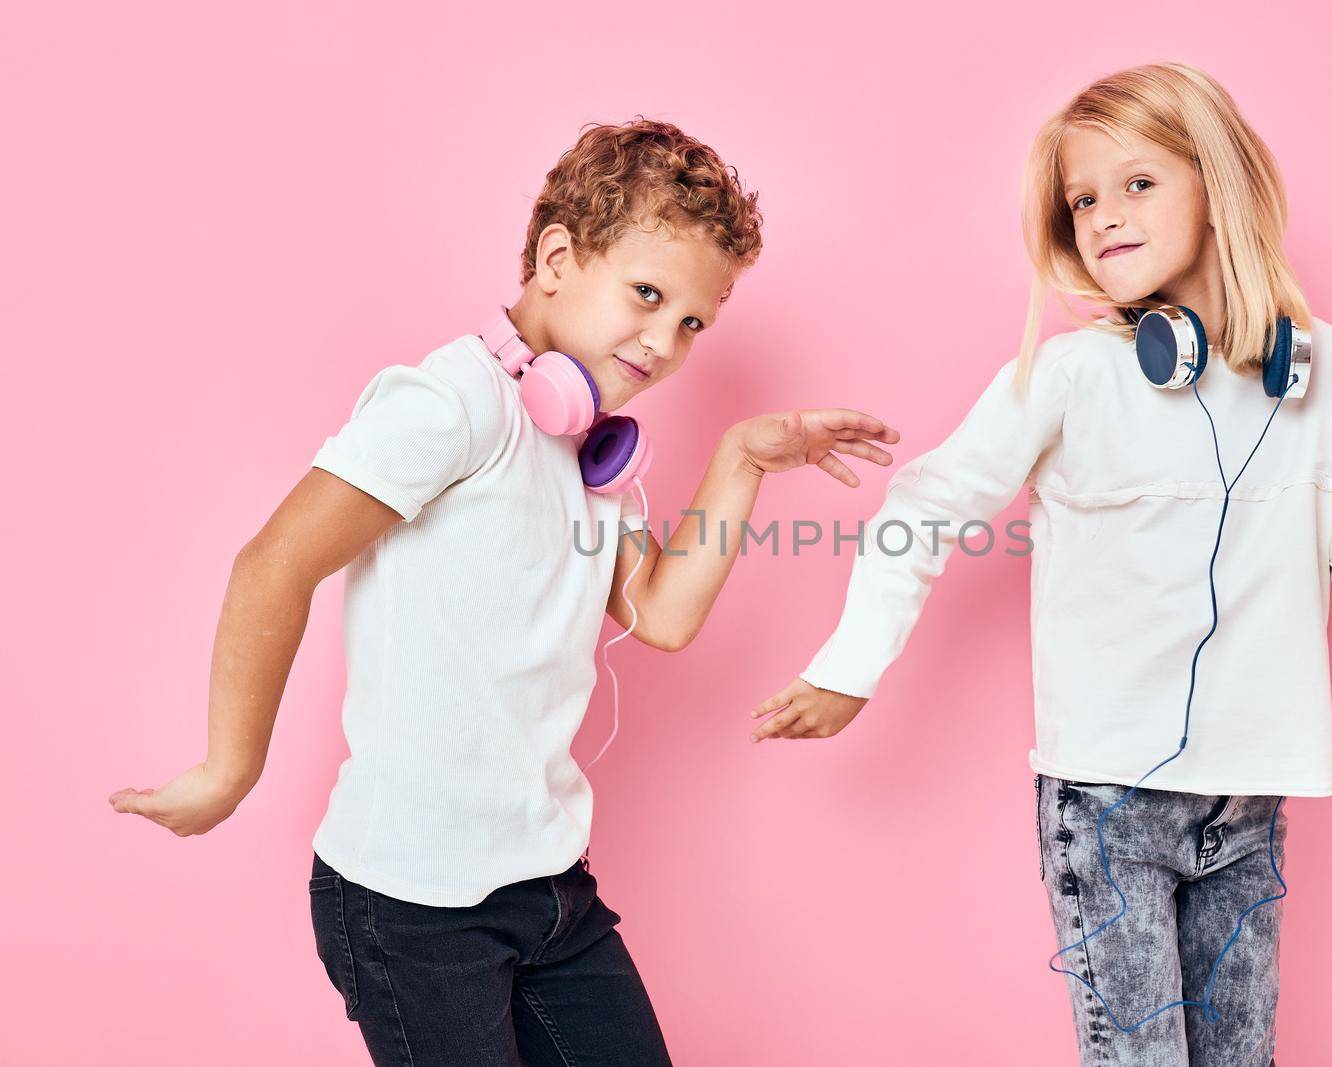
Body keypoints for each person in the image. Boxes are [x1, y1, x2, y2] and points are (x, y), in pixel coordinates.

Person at [751, 64, 1332, 1066]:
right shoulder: (1073, 374)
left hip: (1253, 791)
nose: (1103, 215)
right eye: (1083, 198)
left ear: (1218, 182)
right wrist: (851, 663)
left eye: (1137, 182)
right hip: (1105, 800)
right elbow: (927, 505)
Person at [110, 118, 899, 1065]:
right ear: (559, 256)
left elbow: (665, 612)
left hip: (547, 884)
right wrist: (228, 768)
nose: (664, 341)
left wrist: (741, 460)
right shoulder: (455, 404)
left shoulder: (593, 448)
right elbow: (273, 563)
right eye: (646, 295)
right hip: (410, 905)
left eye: (692, 322)